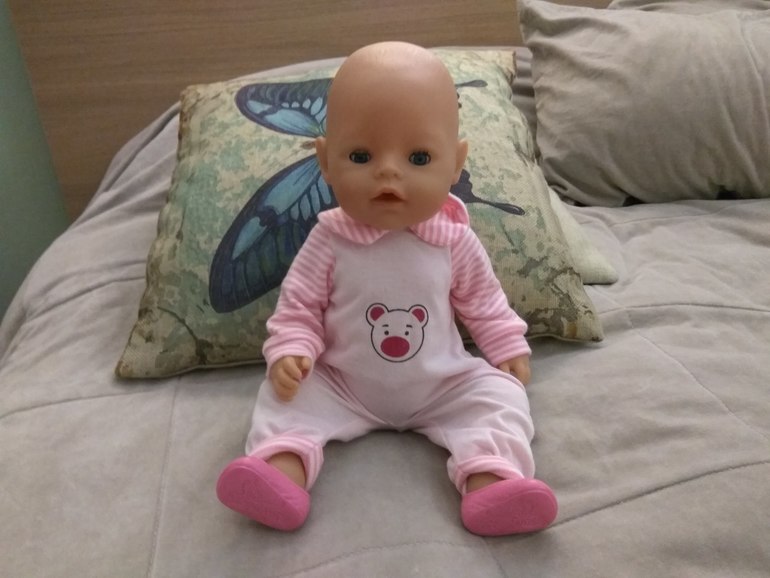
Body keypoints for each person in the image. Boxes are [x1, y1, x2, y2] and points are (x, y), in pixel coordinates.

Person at [216, 41, 557, 536]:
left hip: (441, 384)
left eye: (419, 156)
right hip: (341, 382)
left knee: (500, 398)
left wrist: (505, 344)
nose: (389, 171)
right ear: (326, 161)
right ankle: (280, 472)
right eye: (361, 155)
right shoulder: (329, 239)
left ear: (455, 163)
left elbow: (483, 301)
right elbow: (300, 306)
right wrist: (292, 349)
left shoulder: (453, 238)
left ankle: (492, 482)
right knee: (283, 398)